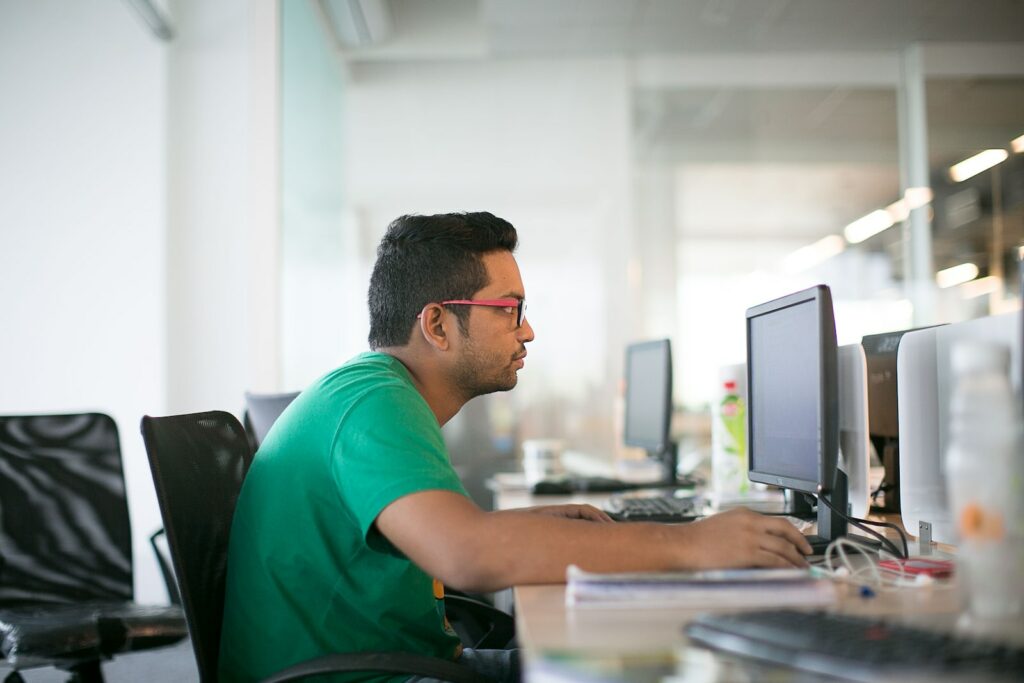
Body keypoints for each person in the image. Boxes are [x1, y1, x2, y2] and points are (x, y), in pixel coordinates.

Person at [218, 212, 812, 683]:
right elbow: (466, 556)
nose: (527, 330)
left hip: (390, 663)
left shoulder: (371, 390)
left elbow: (447, 537)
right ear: (438, 324)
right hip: (365, 678)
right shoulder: (373, 403)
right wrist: (693, 543)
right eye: (511, 310)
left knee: (637, 660)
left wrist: (530, 525)